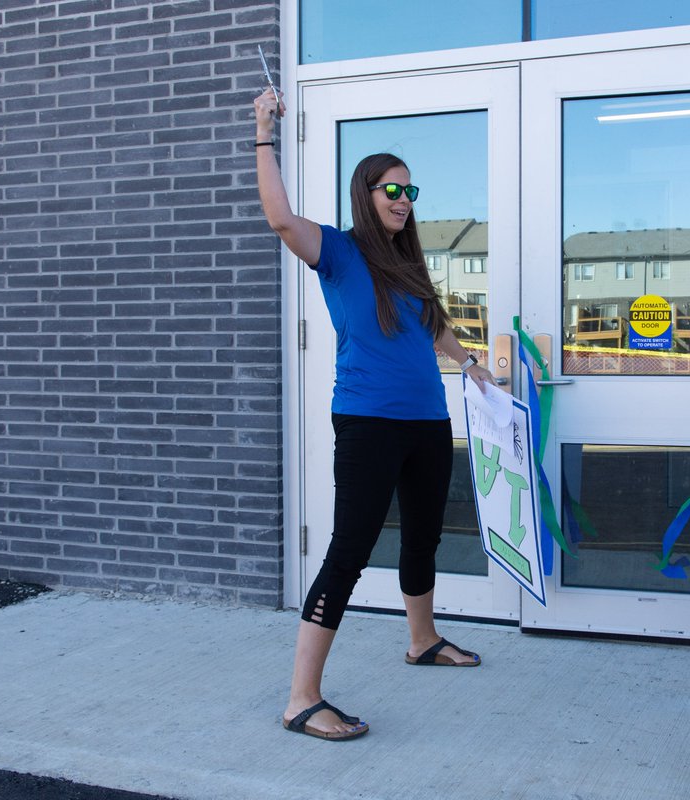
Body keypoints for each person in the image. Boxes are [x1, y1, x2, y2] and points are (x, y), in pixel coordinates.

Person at [252, 88, 496, 741]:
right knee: (349, 551)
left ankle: (422, 640)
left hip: (427, 421)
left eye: (410, 191)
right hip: (367, 421)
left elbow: (432, 326)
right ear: (367, 194)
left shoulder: (409, 261)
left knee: (422, 537)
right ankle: (301, 698)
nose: (403, 200)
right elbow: (279, 218)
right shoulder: (337, 250)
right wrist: (264, 130)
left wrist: (469, 363)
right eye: (392, 189)